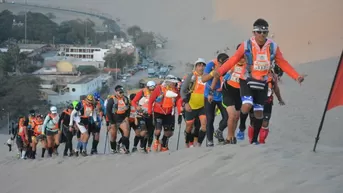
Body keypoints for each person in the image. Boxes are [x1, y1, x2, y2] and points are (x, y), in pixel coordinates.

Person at [213, 18, 305, 144]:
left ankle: (254, 140)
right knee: (247, 104)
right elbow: (234, 59)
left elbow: (283, 63)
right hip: (247, 79)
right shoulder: (246, 45)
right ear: (254, 32)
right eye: (259, 32)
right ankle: (241, 127)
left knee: (258, 112)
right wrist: (221, 70)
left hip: (262, 81)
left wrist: (296, 76)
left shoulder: (273, 46)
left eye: (265, 32)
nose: (262, 34)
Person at [237, 72, 285, 143]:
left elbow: (276, 88)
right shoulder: (255, 74)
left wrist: (280, 99)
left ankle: (262, 141)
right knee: (253, 122)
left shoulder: (272, 76)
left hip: (267, 102)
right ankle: (252, 140)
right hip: (256, 100)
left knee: (265, 123)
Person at [148, 75, 182, 152]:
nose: (174, 84)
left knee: (169, 133)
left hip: (169, 113)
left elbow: (179, 101)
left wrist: (180, 113)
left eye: (175, 83)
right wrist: (149, 112)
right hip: (158, 112)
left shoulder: (175, 90)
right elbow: (151, 101)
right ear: (168, 82)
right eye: (173, 83)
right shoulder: (159, 89)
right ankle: (156, 140)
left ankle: (163, 143)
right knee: (158, 130)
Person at [202, 53, 229, 146]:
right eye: (221, 64)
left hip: (222, 95)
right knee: (210, 119)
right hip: (210, 95)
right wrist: (212, 73)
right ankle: (210, 141)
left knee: (227, 117)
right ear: (218, 62)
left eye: (225, 64)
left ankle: (219, 132)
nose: (223, 66)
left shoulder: (229, 66)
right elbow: (203, 79)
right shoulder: (211, 64)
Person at [180, 58, 207, 147]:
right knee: (189, 126)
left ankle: (198, 144)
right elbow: (183, 90)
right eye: (199, 65)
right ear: (195, 67)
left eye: (203, 65)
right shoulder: (191, 76)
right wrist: (186, 103)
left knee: (204, 125)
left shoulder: (207, 76)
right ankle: (187, 142)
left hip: (203, 106)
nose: (201, 67)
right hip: (191, 106)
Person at [131, 81, 156, 152]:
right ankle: (142, 146)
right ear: (147, 87)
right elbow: (133, 101)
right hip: (141, 114)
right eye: (151, 88)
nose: (152, 89)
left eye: (153, 88)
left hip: (151, 114)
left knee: (150, 132)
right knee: (144, 131)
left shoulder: (156, 93)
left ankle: (148, 147)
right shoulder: (142, 92)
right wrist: (136, 107)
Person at [106, 85, 131, 154]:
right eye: (120, 92)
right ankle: (113, 149)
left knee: (126, 132)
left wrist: (127, 116)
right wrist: (110, 122)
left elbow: (128, 108)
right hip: (114, 120)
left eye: (122, 92)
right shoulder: (112, 100)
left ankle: (123, 145)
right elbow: (108, 111)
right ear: (116, 92)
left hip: (122, 119)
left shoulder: (125, 99)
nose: (121, 94)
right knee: (113, 136)